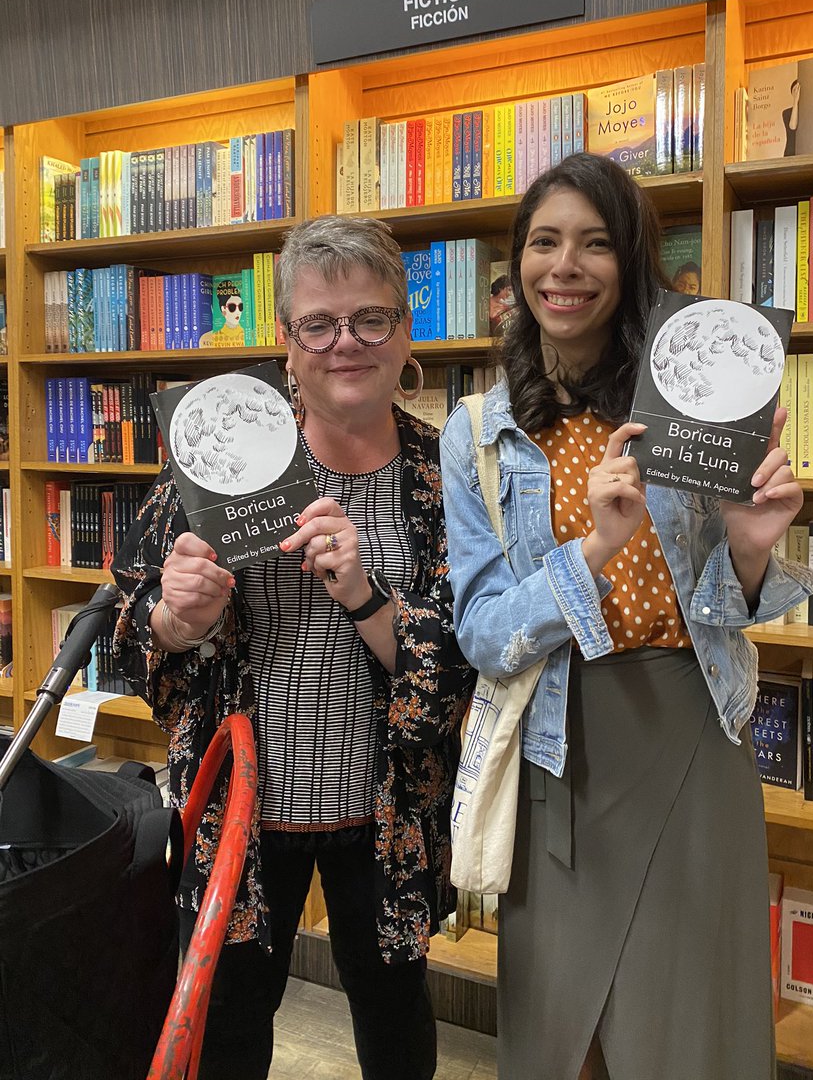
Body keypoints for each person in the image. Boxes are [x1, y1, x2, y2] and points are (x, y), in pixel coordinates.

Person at [439, 152, 813, 1080]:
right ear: (516, 266)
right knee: (568, 1037)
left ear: (631, 262)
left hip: (689, 733)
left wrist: (754, 545)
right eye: (544, 243)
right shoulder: (479, 431)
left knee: (694, 1028)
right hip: (561, 751)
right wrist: (592, 555)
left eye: (594, 244)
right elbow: (484, 634)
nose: (564, 267)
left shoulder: (695, 408)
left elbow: (722, 612)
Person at [112, 215, 476, 1080]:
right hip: (241, 809)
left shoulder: (444, 474)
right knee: (230, 1029)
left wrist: (364, 593)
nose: (344, 342)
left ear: (405, 330)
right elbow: (132, 630)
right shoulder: (221, 456)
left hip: (385, 814)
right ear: (287, 340)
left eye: (370, 318)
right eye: (319, 322)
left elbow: (462, 668)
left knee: (395, 1028)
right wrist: (176, 619)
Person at [199, 277, 247, 347]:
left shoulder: (249, 337)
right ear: (223, 309)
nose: (238, 312)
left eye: (240, 307)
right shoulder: (208, 338)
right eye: (232, 307)